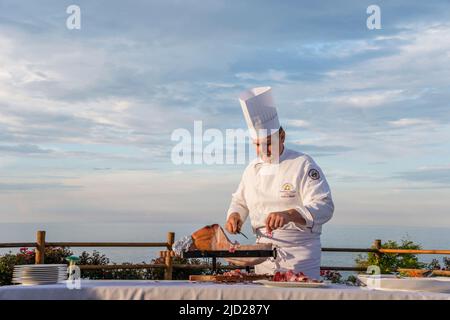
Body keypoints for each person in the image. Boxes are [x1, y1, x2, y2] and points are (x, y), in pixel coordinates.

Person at [225, 86, 334, 279]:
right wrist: (235, 215)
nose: (264, 150)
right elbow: (240, 201)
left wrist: (290, 214)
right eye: (258, 144)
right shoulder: (251, 169)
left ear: (282, 136)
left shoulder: (302, 164)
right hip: (262, 254)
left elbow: (325, 206)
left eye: (269, 142)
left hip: (299, 252)